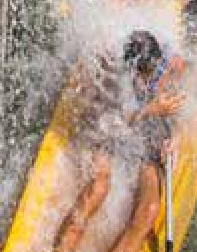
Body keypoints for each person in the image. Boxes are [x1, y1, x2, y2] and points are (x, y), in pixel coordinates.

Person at [53, 31, 185, 252]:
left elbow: (182, 106)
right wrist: (148, 110)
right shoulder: (110, 71)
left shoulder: (169, 65)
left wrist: (177, 137)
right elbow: (99, 125)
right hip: (108, 131)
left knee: (149, 209)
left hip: (144, 134)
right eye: (138, 75)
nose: (143, 81)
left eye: (148, 74)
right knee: (98, 189)